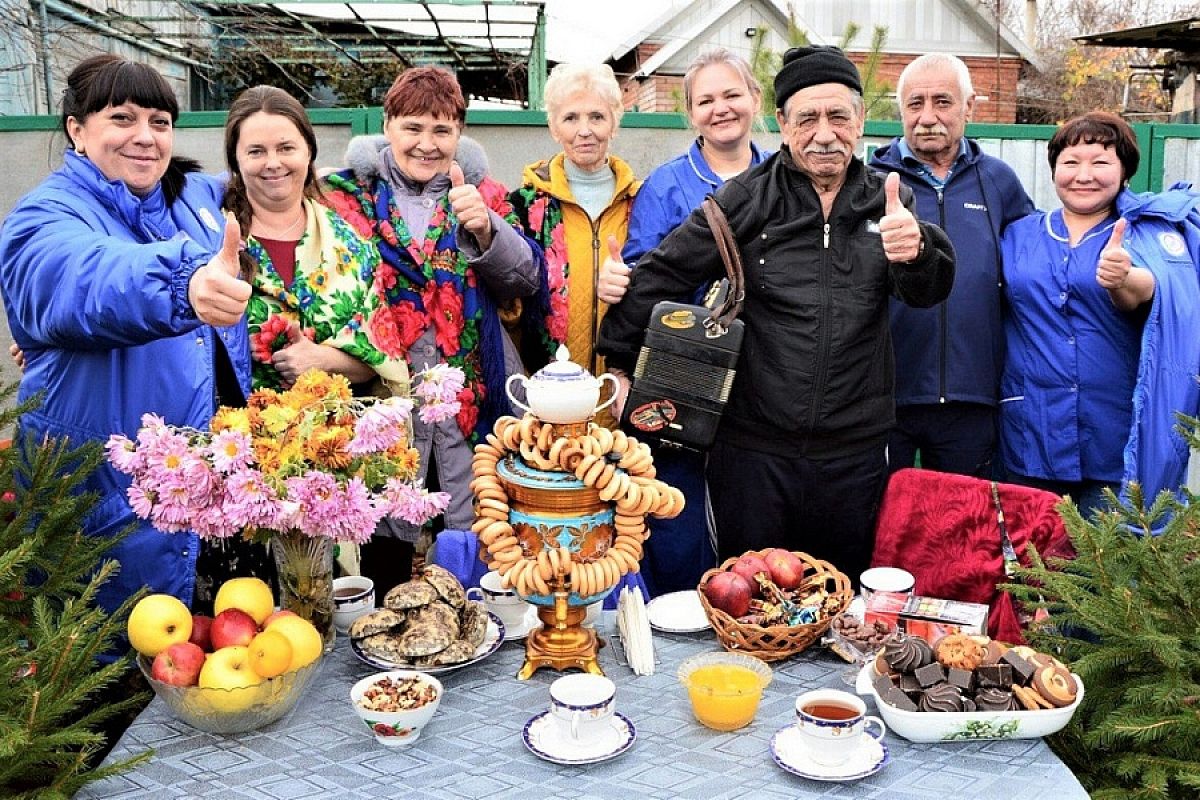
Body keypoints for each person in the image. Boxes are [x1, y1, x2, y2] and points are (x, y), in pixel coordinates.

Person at [597, 46, 955, 582]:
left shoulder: (888, 198)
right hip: (753, 453)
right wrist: (619, 366)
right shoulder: (743, 199)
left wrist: (919, 251)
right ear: (784, 123)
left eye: (838, 116)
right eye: (807, 117)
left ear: (859, 121)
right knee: (749, 597)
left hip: (853, 453)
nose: (824, 132)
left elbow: (928, 289)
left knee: (839, 598)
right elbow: (663, 274)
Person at [0, 54, 251, 627]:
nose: (145, 137)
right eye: (122, 118)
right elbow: (82, 275)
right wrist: (182, 283)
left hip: (206, 499)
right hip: (107, 508)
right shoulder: (45, 216)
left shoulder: (189, 199)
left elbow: (268, 188)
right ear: (76, 129)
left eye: (159, 122)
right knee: (112, 685)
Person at [321, 66, 542, 594]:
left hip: (472, 396)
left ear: (460, 134)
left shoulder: (486, 195)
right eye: (413, 127)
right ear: (388, 125)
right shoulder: (344, 197)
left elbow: (528, 281)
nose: (426, 144)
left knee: (473, 541)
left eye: (442, 130)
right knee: (388, 549)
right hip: (386, 404)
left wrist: (487, 227)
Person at [597, 49, 769, 596]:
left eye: (732, 95)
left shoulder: (782, 179)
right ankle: (675, 634)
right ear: (690, 113)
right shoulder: (667, 186)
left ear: (756, 100)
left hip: (767, 380)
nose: (721, 109)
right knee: (677, 522)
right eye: (705, 100)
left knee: (752, 540)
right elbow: (644, 287)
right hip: (682, 385)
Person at [999, 111, 1200, 518]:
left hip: (1111, 435)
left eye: (1101, 162)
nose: (1083, 175)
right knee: (1028, 567)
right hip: (1030, 430)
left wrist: (1124, 279)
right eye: (1070, 162)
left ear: (1125, 170)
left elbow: (1156, 291)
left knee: (1107, 569)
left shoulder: (1145, 235)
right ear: (1054, 169)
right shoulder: (1018, 233)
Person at [870, 53, 1034, 478]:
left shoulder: (999, 182)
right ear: (900, 109)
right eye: (915, 104)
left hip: (972, 396)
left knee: (964, 531)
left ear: (969, 107)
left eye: (942, 102)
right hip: (883, 397)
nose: (927, 117)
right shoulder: (870, 182)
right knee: (879, 529)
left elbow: (1032, 273)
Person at [507, 63, 641, 382]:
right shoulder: (525, 205)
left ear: (614, 123)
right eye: (570, 118)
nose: (584, 130)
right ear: (554, 128)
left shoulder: (641, 202)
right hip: (547, 394)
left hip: (624, 390)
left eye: (597, 116)